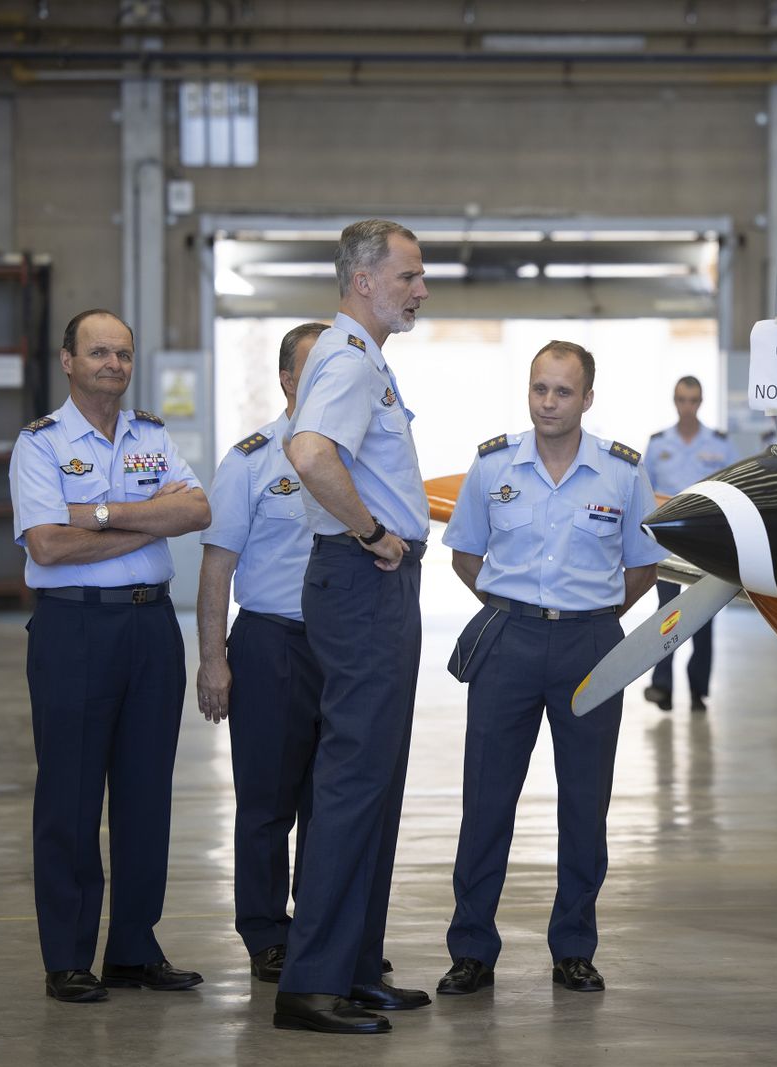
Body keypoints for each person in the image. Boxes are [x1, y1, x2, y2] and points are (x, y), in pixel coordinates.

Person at [437, 340, 665, 997]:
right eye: (539, 388)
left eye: (563, 391)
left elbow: (644, 566)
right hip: (507, 641)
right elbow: (465, 555)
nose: (548, 402)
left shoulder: (622, 472)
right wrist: (516, 609)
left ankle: (573, 947)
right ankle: (471, 949)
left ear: (587, 398)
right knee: (486, 799)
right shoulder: (493, 465)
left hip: (590, 645)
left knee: (585, 802)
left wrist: (592, 614)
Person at [9, 309, 211, 1004]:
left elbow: (196, 511)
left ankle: (133, 948)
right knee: (69, 796)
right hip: (74, 628)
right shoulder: (39, 445)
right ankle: (68, 957)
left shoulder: (151, 435)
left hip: (152, 627)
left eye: (122, 354)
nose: (113, 365)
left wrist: (98, 514)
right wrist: (150, 519)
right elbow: (47, 546)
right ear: (68, 360)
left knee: (145, 793)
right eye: (98, 352)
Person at [272, 219, 433, 1035]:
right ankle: (312, 983)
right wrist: (371, 531)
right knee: (351, 778)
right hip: (363, 578)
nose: (421, 289)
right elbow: (309, 453)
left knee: (377, 777)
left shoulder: (367, 360)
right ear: (363, 280)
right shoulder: (343, 358)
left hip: (378, 584)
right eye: (409, 275)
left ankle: (357, 967)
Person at [195, 322, 325, 984]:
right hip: (272, 643)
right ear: (287, 380)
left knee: (334, 804)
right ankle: (267, 933)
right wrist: (213, 659)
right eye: (315, 368)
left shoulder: (363, 454)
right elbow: (217, 566)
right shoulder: (250, 461)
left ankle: (328, 933)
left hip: (345, 648)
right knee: (267, 803)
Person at [641, 375, 736, 712]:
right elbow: (645, 492)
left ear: (701, 402)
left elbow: (733, 490)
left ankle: (698, 690)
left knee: (702, 617)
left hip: (705, 543)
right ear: (674, 401)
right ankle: (662, 685)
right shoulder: (658, 444)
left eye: (693, 400)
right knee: (666, 614)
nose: (687, 407)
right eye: (682, 400)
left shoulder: (720, 444)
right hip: (667, 543)